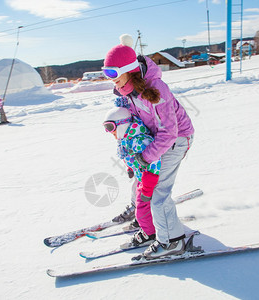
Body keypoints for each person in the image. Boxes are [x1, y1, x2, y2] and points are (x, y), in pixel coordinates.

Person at [102, 34, 194, 260]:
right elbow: (135, 126)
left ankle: (172, 242)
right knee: (141, 181)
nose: (112, 80)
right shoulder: (126, 92)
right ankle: (149, 225)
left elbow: (169, 132)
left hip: (176, 138)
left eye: (114, 73)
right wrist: (133, 157)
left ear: (129, 69)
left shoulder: (156, 88)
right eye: (107, 74)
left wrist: (147, 157)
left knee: (158, 193)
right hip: (155, 138)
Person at [103, 99, 161, 247]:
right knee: (137, 199)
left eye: (111, 127)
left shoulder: (140, 141)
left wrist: (148, 185)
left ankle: (149, 234)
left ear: (123, 123)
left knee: (142, 206)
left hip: (150, 181)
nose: (110, 132)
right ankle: (143, 220)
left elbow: (155, 163)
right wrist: (130, 168)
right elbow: (128, 156)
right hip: (141, 178)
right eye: (106, 128)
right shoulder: (126, 139)